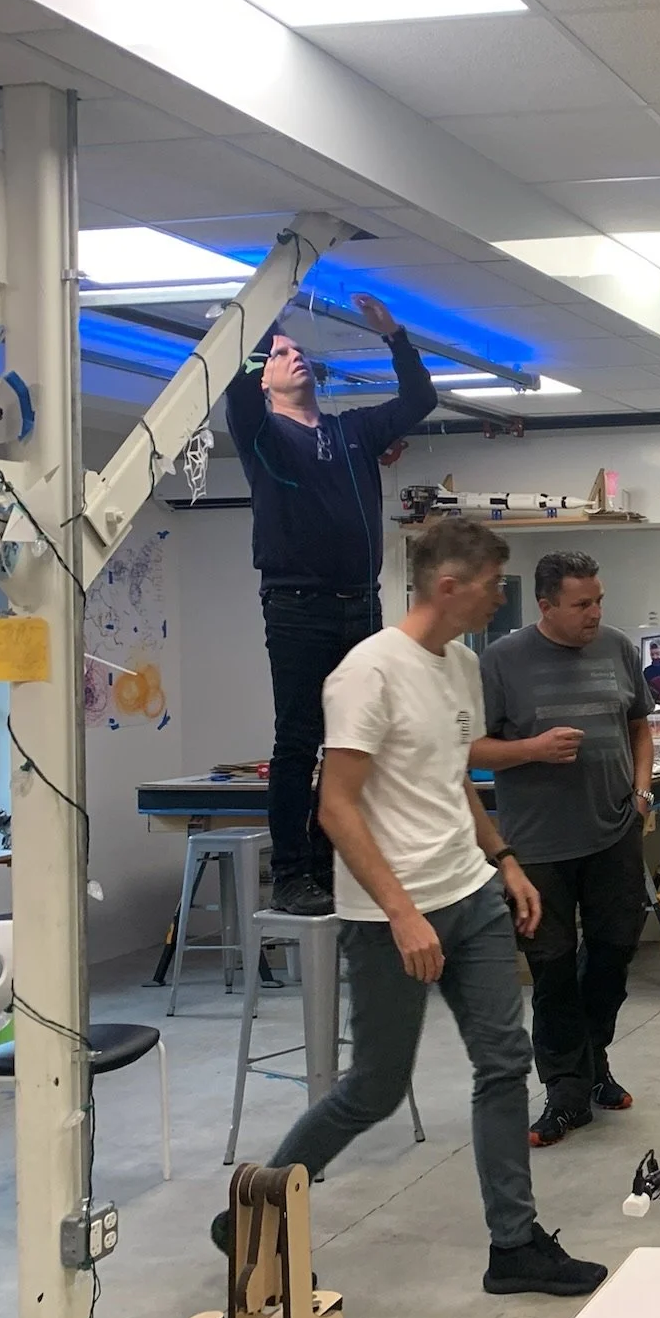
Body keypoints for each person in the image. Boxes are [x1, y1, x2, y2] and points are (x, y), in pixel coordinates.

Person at [217, 519, 606, 1297]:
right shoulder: (368, 673)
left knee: (504, 1062)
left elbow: (450, 777)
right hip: (393, 918)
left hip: (471, 894)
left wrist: (503, 860)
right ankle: (254, 1213)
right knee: (376, 1087)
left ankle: (514, 1243)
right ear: (449, 586)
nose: (503, 597)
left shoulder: (462, 668)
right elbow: (335, 806)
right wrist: (400, 911)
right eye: (494, 584)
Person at [225, 293, 437, 916]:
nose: (295, 359)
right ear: (263, 375)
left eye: (300, 351)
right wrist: (264, 318)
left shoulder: (352, 432)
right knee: (298, 739)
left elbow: (419, 400)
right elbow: (237, 380)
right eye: (280, 354)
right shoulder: (261, 434)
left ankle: (344, 859)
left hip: (360, 604)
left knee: (361, 736)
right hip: (296, 605)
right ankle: (294, 872)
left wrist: (394, 335)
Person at [475, 550, 654, 1148]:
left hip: (612, 832)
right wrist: (531, 750)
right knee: (552, 970)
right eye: (582, 604)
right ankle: (565, 1092)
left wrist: (642, 788)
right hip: (539, 848)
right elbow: (466, 749)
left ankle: (592, 1059)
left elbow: (639, 725)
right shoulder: (500, 661)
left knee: (614, 955)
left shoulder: (619, 649)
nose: (595, 613)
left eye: (599, 600)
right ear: (546, 605)